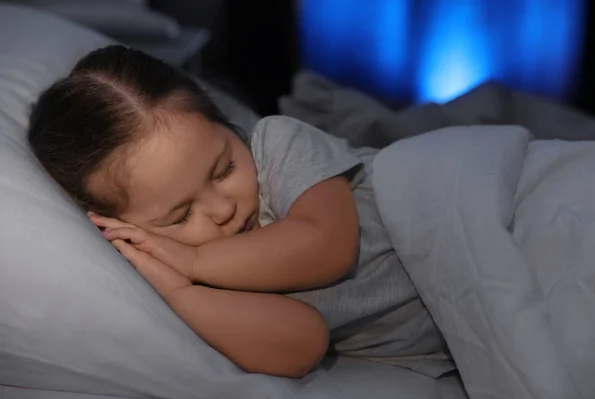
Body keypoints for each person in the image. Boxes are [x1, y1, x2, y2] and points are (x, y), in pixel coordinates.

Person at [27, 45, 452, 379]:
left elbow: (330, 246)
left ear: (224, 124)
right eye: (180, 216)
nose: (224, 208)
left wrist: (196, 260)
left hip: (467, 219)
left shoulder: (275, 146)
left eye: (225, 168)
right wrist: (181, 293)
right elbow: (303, 343)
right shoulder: (201, 281)